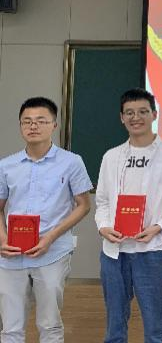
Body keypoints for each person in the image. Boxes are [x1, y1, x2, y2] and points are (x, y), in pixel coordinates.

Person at [94, 88, 162, 343]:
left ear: (154, 114)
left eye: (142, 112)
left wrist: (159, 227)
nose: (135, 117)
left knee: (155, 327)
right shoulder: (111, 156)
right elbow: (102, 201)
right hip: (114, 253)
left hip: (153, 251)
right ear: (121, 117)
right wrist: (103, 226)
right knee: (114, 326)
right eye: (129, 113)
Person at [0, 96, 93, 342]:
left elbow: (84, 205)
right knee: (10, 327)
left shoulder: (72, 162)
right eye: (27, 121)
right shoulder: (6, 165)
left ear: (54, 125)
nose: (33, 126)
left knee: (49, 324)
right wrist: (2, 239)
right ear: (20, 126)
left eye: (41, 121)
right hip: (11, 254)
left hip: (52, 252)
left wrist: (50, 237)